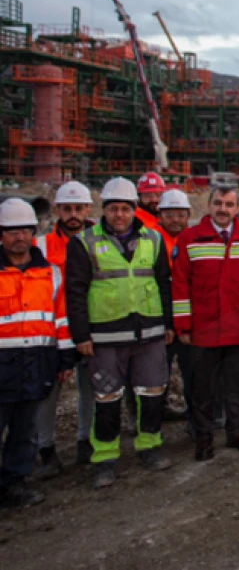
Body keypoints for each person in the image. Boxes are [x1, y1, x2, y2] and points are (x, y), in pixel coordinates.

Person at [66, 177, 174, 489]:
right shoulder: (84, 243)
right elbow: (75, 292)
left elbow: (164, 285)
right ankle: (105, 456)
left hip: (149, 332)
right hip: (106, 336)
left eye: (125, 209)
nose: (120, 215)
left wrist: (168, 324)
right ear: (104, 211)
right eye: (114, 209)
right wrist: (81, 335)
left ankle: (150, 445)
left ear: (134, 210)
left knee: (152, 392)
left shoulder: (152, 241)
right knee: (107, 398)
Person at [173, 186, 239, 460]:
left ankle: (236, 432)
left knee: (235, 386)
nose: (223, 209)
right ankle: (204, 438)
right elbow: (180, 285)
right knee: (203, 389)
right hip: (203, 330)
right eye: (218, 203)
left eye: (229, 204)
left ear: (237, 208)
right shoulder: (190, 239)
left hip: (238, 327)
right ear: (208, 206)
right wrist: (183, 325)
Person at [0, 198, 74, 508]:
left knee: (24, 430)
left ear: (33, 232)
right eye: (12, 232)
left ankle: (15, 483)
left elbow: (61, 319)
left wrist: (65, 358)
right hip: (2, 363)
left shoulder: (51, 274)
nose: (19, 238)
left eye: (25, 231)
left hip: (35, 362)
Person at [32, 181, 94, 479]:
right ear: (57, 210)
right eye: (67, 209)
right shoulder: (41, 245)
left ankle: (86, 440)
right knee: (48, 392)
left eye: (78, 208)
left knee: (91, 388)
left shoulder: (99, 239)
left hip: (92, 326)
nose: (73, 214)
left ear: (88, 210)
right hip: (52, 330)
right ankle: (46, 449)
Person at [157, 189, 196, 435]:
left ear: (188, 215)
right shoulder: (150, 241)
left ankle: (195, 419)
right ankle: (152, 423)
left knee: (193, 374)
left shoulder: (195, 238)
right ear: (160, 215)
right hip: (160, 321)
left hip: (191, 320)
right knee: (155, 377)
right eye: (169, 214)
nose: (175, 219)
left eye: (180, 214)